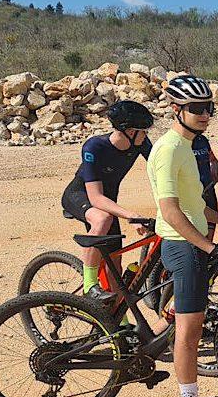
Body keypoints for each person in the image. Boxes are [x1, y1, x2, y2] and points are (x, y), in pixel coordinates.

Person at [147, 74, 218, 397]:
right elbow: (172, 211)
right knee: (189, 335)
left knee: (183, 318)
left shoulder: (190, 145)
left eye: (208, 108)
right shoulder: (169, 149)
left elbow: (194, 206)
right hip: (182, 246)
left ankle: (148, 346)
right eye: (195, 109)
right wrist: (209, 246)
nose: (204, 114)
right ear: (175, 110)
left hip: (189, 242)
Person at [60, 100, 154, 301]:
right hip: (81, 196)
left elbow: (159, 169)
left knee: (115, 269)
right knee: (102, 219)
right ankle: (90, 284)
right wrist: (131, 215)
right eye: (143, 131)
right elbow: (96, 197)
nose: (146, 135)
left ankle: (120, 323)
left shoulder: (141, 142)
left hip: (109, 203)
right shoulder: (95, 146)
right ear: (129, 131)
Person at [191, 132, 218, 240]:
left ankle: (206, 255)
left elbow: (213, 160)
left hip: (208, 191)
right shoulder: (182, 142)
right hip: (192, 194)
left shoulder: (202, 140)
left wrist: (215, 171)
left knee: (209, 233)